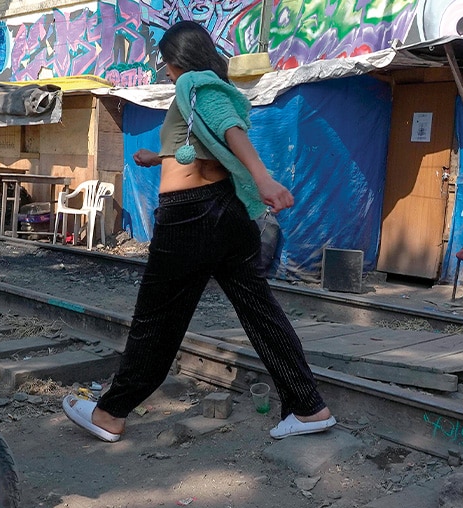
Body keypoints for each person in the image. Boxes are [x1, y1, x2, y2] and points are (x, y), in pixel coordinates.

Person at [62, 20, 335, 443]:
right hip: (224, 214)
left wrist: (262, 179)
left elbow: (231, 129)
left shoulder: (194, 82)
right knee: (259, 311)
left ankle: (110, 414)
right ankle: (309, 407)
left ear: (175, 59)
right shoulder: (200, 88)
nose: (164, 70)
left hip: (191, 217)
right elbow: (201, 145)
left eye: (164, 61)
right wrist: (157, 158)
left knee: (157, 319)